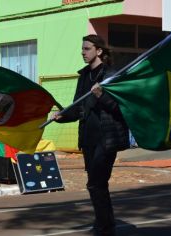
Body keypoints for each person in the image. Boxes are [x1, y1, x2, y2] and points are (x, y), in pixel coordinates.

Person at [52, 35, 129, 236]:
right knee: (97, 184)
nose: (83, 52)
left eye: (87, 48)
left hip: (107, 138)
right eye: (82, 49)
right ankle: (105, 222)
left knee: (95, 182)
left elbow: (121, 109)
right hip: (88, 137)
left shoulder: (111, 74)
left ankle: (104, 226)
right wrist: (61, 116)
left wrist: (101, 95)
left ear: (99, 51)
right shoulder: (84, 76)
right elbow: (78, 107)